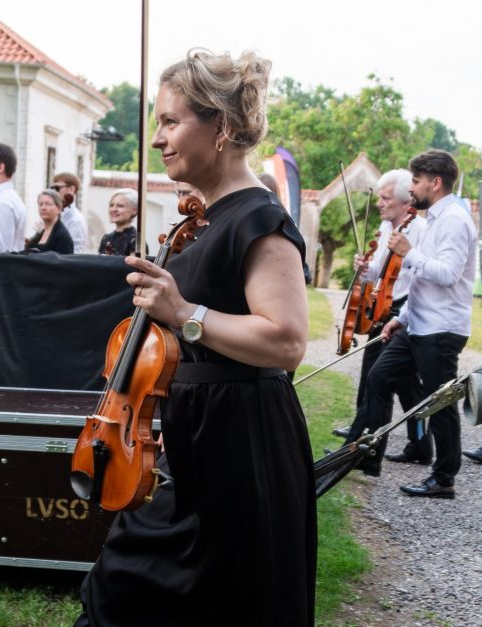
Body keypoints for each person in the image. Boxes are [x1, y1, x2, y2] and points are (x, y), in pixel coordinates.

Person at [76, 49, 315, 625]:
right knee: (129, 588)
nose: (157, 139)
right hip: (196, 438)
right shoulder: (207, 220)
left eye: (170, 121)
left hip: (241, 446)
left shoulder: (259, 219)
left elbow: (286, 342)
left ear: (222, 127)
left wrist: (183, 310)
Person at [352, 150, 475, 497]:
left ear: (435, 183)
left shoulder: (453, 219)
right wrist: (401, 319)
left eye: (418, 182)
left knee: (439, 403)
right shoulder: (434, 218)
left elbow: (448, 275)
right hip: (417, 323)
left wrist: (409, 252)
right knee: (379, 377)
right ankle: (368, 456)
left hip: (442, 329)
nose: (413, 189)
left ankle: (444, 478)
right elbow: (420, 282)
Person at [336, 170, 427, 468]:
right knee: (397, 383)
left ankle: (363, 448)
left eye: (386, 198)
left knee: (382, 378)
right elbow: (377, 272)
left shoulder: (419, 229)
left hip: (405, 310)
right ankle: (419, 446)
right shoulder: (386, 227)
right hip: (381, 308)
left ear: (405, 203)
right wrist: (364, 267)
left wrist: (406, 314)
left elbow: (420, 275)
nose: (380, 203)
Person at [25, 189, 74, 254]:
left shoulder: (62, 236)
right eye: (40, 204)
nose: (43, 207)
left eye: (48, 204)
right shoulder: (42, 230)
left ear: (59, 209)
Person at [51, 172, 88, 253]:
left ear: (71, 189)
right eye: (52, 188)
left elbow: (76, 253)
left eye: (57, 188)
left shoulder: (76, 220)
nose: (53, 193)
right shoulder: (54, 215)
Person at [97, 188, 139, 256]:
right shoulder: (106, 238)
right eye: (111, 205)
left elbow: (135, 265)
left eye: (120, 206)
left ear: (134, 211)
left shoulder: (137, 241)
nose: (114, 209)